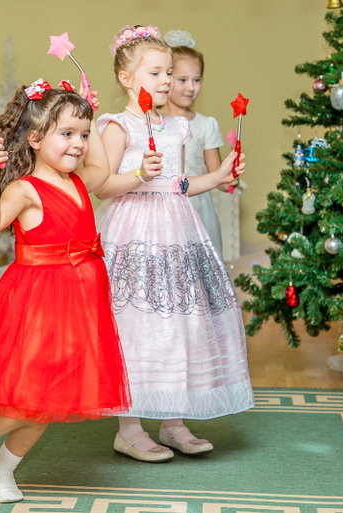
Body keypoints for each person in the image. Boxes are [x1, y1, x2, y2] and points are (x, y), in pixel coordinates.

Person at [0, 80, 130, 502]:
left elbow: (102, 169)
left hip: (81, 303)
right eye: (68, 134)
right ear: (35, 138)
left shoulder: (79, 181)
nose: (79, 144)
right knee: (28, 395)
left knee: (54, 400)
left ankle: (6, 469)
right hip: (38, 304)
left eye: (84, 135)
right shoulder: (25, 189)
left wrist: (92, 117)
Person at [94, 25, 254, 463]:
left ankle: (173, 421)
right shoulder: (117, 126)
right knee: (135, 325)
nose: (166, 80)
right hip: (135, 233)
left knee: (181, 322)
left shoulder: (176, 126)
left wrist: (217, 177)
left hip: (178, 231)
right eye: (156, 73)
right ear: (127, 78)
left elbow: (178, 184)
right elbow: (101, 186)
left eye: (169, 72)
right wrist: (137, 175)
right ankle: (129, 429)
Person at [161, 30, 226, 259]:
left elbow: (218, 177)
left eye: (196, 80)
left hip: (197, 206)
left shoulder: (206, 124)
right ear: (166, 79)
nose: (191, 87)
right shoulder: (153, 122)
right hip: (163, 206)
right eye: (183, 80)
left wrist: (230, 177)